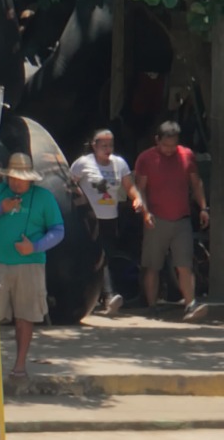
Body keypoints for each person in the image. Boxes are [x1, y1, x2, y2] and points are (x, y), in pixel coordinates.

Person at [0, 153, 64, 378]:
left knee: (25, 317)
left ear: (30, 178)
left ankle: (19, 365)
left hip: (30, 266)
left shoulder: (44, 198)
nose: (15, 182)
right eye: (12, 177)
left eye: (20, 178)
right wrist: (0, 209)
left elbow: (58, 231)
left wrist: (36, 246)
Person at [133, 121, 210, 321]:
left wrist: (203, 207)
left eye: (173, 146)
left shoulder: (186, 155)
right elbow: (140, 188)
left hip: (181, 219)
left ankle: (190, 304)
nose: (169, 150)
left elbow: (196, 182)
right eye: (165, 145)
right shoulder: (146, 158)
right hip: (156, 219)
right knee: (153, 266)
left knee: (184, 265)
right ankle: (152, 306)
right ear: (157, 140)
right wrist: (145, 213)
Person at [69, 129, 141, 315]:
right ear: (94, 145)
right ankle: (108, 295)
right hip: (89, 218)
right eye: (104, 146)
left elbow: (129, 185)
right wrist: (79, 201)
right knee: (96, 255)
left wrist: (136, 198)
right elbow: (69, 184)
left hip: (111, 218)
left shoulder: (119, 164)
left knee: (105, 256)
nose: (108, 149)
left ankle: (99, 296)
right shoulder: (83, 164)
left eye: (111, 145)